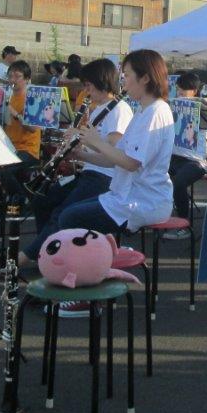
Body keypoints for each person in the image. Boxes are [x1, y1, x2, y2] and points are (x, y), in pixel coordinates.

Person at [22, 58, 133, 266]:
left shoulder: (119, 110)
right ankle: (50, 252)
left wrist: (82, 140)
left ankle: (30, 256)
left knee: (62, 212)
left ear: (101, 82)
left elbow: (113, 149)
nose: (86, 90)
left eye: (89, 85)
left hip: (105, 177)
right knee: (43, 200)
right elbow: (92, 145)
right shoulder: (99, 108)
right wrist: (75, 151)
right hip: (90, 171)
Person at [55, 49, 174, 236]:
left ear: (145, 78)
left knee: (69, 218)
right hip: (126, 195)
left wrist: (97, 141)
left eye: (126, 75)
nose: (123, 81)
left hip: (144, 201)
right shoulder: (144, 111)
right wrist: (80, 154)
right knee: (68, 213)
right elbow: (114, 160)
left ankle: (95, 262)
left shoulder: (156, 112)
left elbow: (131, 163)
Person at [163, 71, 207, 240]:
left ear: (194, 91)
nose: (180, 93)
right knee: (149, 173)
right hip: (175, 156)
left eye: (184, 90)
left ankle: (183, 225)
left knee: (178, 183)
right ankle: (156, 216)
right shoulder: (171, 107)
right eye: (178, 90)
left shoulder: (203, 109)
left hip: (195, 161)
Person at [0, 59, 41, 199]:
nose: (12, 79)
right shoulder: (7, 98)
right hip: (9, 147)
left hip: (27, 149)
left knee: (5, 171)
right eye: (10, 76)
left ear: (27, 79)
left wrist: (15, 114)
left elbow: (33, 128)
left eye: (17, 76)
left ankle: (21, 199)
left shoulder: (32, 99)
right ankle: (3, 202)